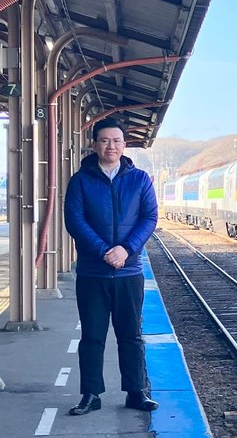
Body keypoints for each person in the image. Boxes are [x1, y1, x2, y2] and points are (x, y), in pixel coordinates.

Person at [64, 119, 159, 415]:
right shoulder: (80, 180)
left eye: (116, 141)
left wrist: (126, 249)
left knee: (130, 334)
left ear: (124, 145)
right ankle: (91, 394)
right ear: (95, 144)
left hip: (129, 273)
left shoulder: (140, 179)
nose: (111, 146)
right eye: (105, 141)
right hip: (93, 272)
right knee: (93, 336)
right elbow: (75, 221)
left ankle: (136, 392)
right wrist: (105, 251)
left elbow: (150, 217)